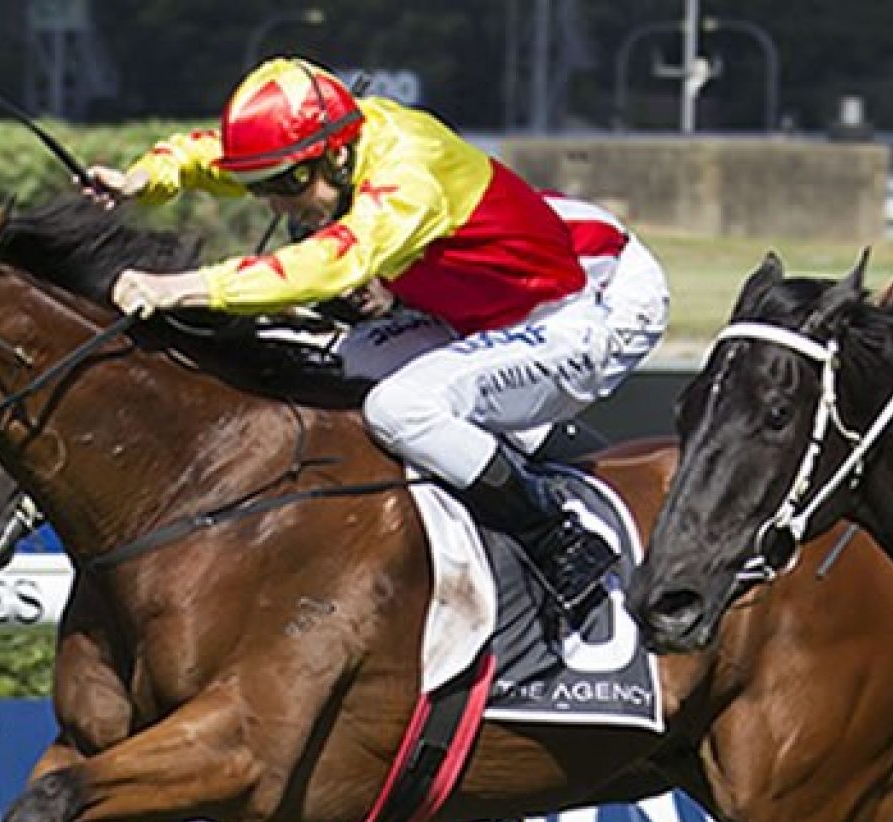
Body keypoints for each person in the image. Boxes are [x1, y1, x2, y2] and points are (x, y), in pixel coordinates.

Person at [83, 57, 622, 627]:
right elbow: (204, 152)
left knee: (402, 409)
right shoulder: (327, 144)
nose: (276, 204)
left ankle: (557, 536)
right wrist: (139, 179)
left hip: (568, 313)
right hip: (478, 315)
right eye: (259, 188)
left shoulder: (408, 173)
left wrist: (184, 289)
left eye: (285, 186)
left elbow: (329, 264)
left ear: (337, 155)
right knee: (341, 361)